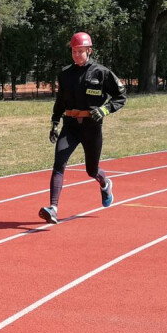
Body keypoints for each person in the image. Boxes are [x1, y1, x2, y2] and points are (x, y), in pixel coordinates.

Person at [38, 32, 127, 224]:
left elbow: (121, 97)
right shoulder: (65, 74)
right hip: (70, 126)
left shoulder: (101, 73)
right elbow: (60, 101)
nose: (77, 55)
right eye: (74, 51)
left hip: (91, 127)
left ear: (89, 51)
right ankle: (53, 208)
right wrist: (54, 123)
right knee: (59, 163)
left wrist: (104, 110)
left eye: (80, 51)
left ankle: (105, 183)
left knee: (91, 170)